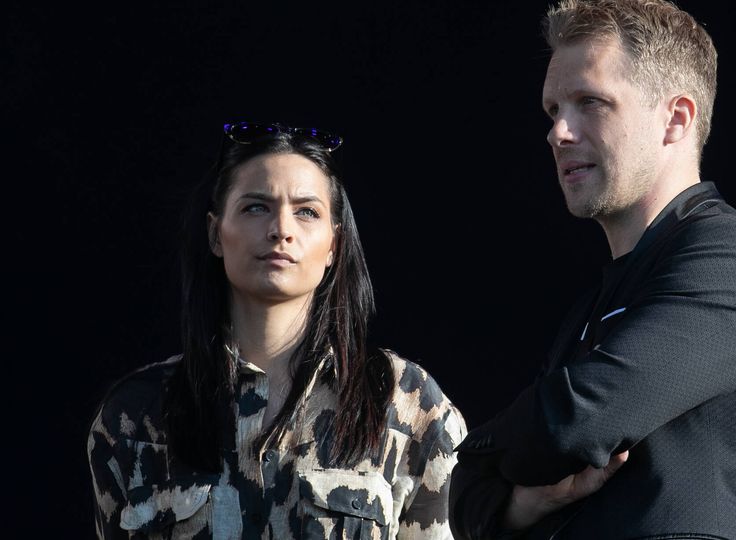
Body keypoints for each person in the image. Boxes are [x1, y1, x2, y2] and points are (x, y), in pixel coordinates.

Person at [449, 1, 736, 538]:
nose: (558, 132)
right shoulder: (593, 304)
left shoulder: (734, 263)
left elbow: (573, 421)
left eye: (590, 102)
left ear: (676, 119)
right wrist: (519, 501)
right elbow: (468, 503)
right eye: (553, 109)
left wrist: (479, 454)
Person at [87, 121, 466, 539]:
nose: (281, 229)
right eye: (256, 207)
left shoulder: (405, 403)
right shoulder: (137, 415)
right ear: (215, 233)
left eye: (307, 212)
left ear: (334, 245)